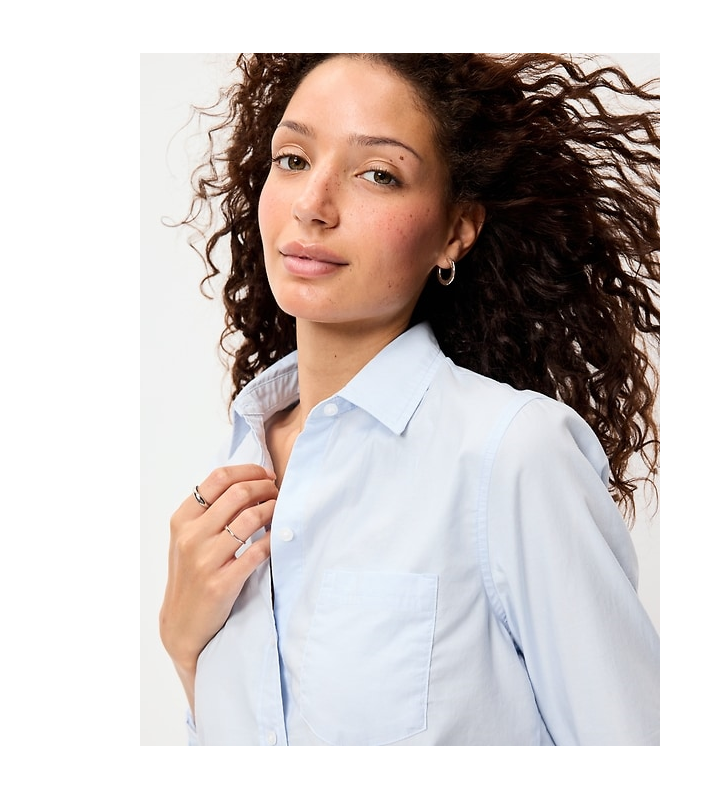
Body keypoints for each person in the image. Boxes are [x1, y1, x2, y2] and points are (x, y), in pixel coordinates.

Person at [159, 53, 660, 746]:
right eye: (293, 159)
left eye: (378, 174)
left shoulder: (511, 453)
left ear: (455, 231)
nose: (313, 205)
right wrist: (185, 648)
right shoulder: (240, 458)